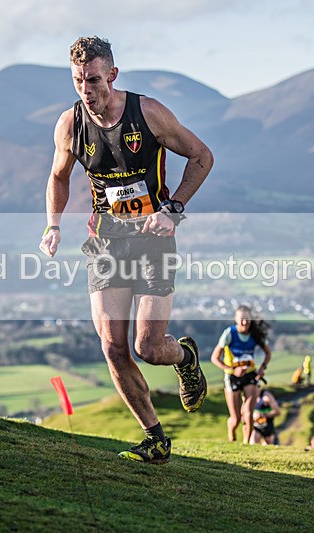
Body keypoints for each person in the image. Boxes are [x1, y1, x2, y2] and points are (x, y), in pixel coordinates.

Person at [40, 36, 213, 464]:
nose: (86, 88)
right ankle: (154, 438)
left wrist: (172, 210)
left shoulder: (147, 113)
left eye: (94, 79)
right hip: (106, 240)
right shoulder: (70, 124)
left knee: (148, 347)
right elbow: (59, 177)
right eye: (78, 80)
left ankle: (185, 356)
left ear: (112, 75)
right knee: (112, 346)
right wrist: (53, 224)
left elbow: (202, 157)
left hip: (155, 237)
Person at [211, 305, 272, 444]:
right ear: (236, 319)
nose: (245, 322)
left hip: (250, 375)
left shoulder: (254, 334)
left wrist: (262, 368)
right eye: (242, 319)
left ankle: (246, 443)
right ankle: (231, 432)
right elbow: (214, 358)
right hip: (232, 377)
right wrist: (232, 370)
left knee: (249, 412)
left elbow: (268, 353)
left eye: (247, 319)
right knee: (236, 418)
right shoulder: (229, 333)